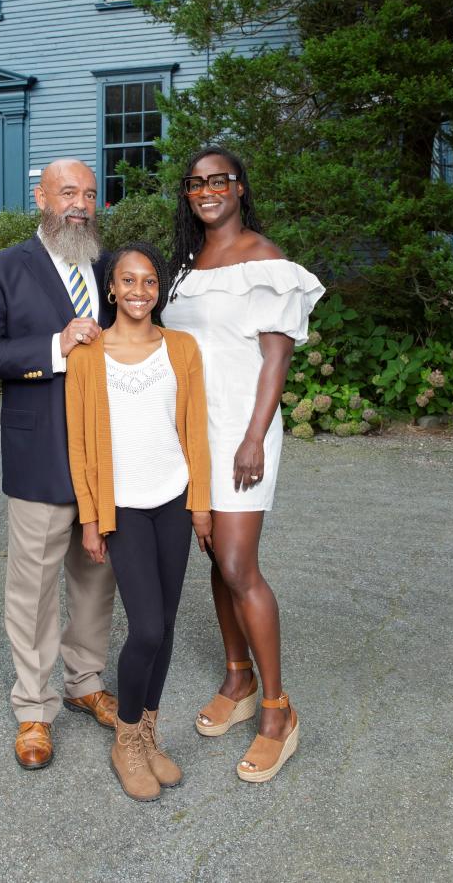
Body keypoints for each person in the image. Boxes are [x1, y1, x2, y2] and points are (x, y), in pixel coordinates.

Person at [162, 146, 324, 783]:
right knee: (214, 556)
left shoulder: (265, 260)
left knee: (237, 562)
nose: (207, 191)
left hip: (240, 431)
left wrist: (254, 437)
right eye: (196, 183)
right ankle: (238, 678)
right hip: (192, 435)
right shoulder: (185, 265)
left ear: (239, 187)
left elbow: (275, 360)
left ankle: (278, 712)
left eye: (218, 181)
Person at [0, 159, 118, 771]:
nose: (79, 203)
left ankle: (85, 681)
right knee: (32, 585)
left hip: (106, 454)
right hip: (39, 450)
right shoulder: (2, 268)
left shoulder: (111, 269)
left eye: (88, 193)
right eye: (67, 192)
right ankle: (34, 705)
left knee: (97, 572)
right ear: (41, 198)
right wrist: (57, 345)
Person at [65, 242, 212, 802]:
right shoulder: (88, 355)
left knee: (168, 626)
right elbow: (79, 443)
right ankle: (125, 737)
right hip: (122, 505)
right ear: (111, 288)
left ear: (159, 289)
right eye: (128, 281)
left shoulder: (182, 348)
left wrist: (201, 504)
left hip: (172, 499)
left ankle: (149, 734)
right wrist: (89, 516)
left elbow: (195, 431)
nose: (139, 291)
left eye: (149, 281)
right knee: (146, 627)